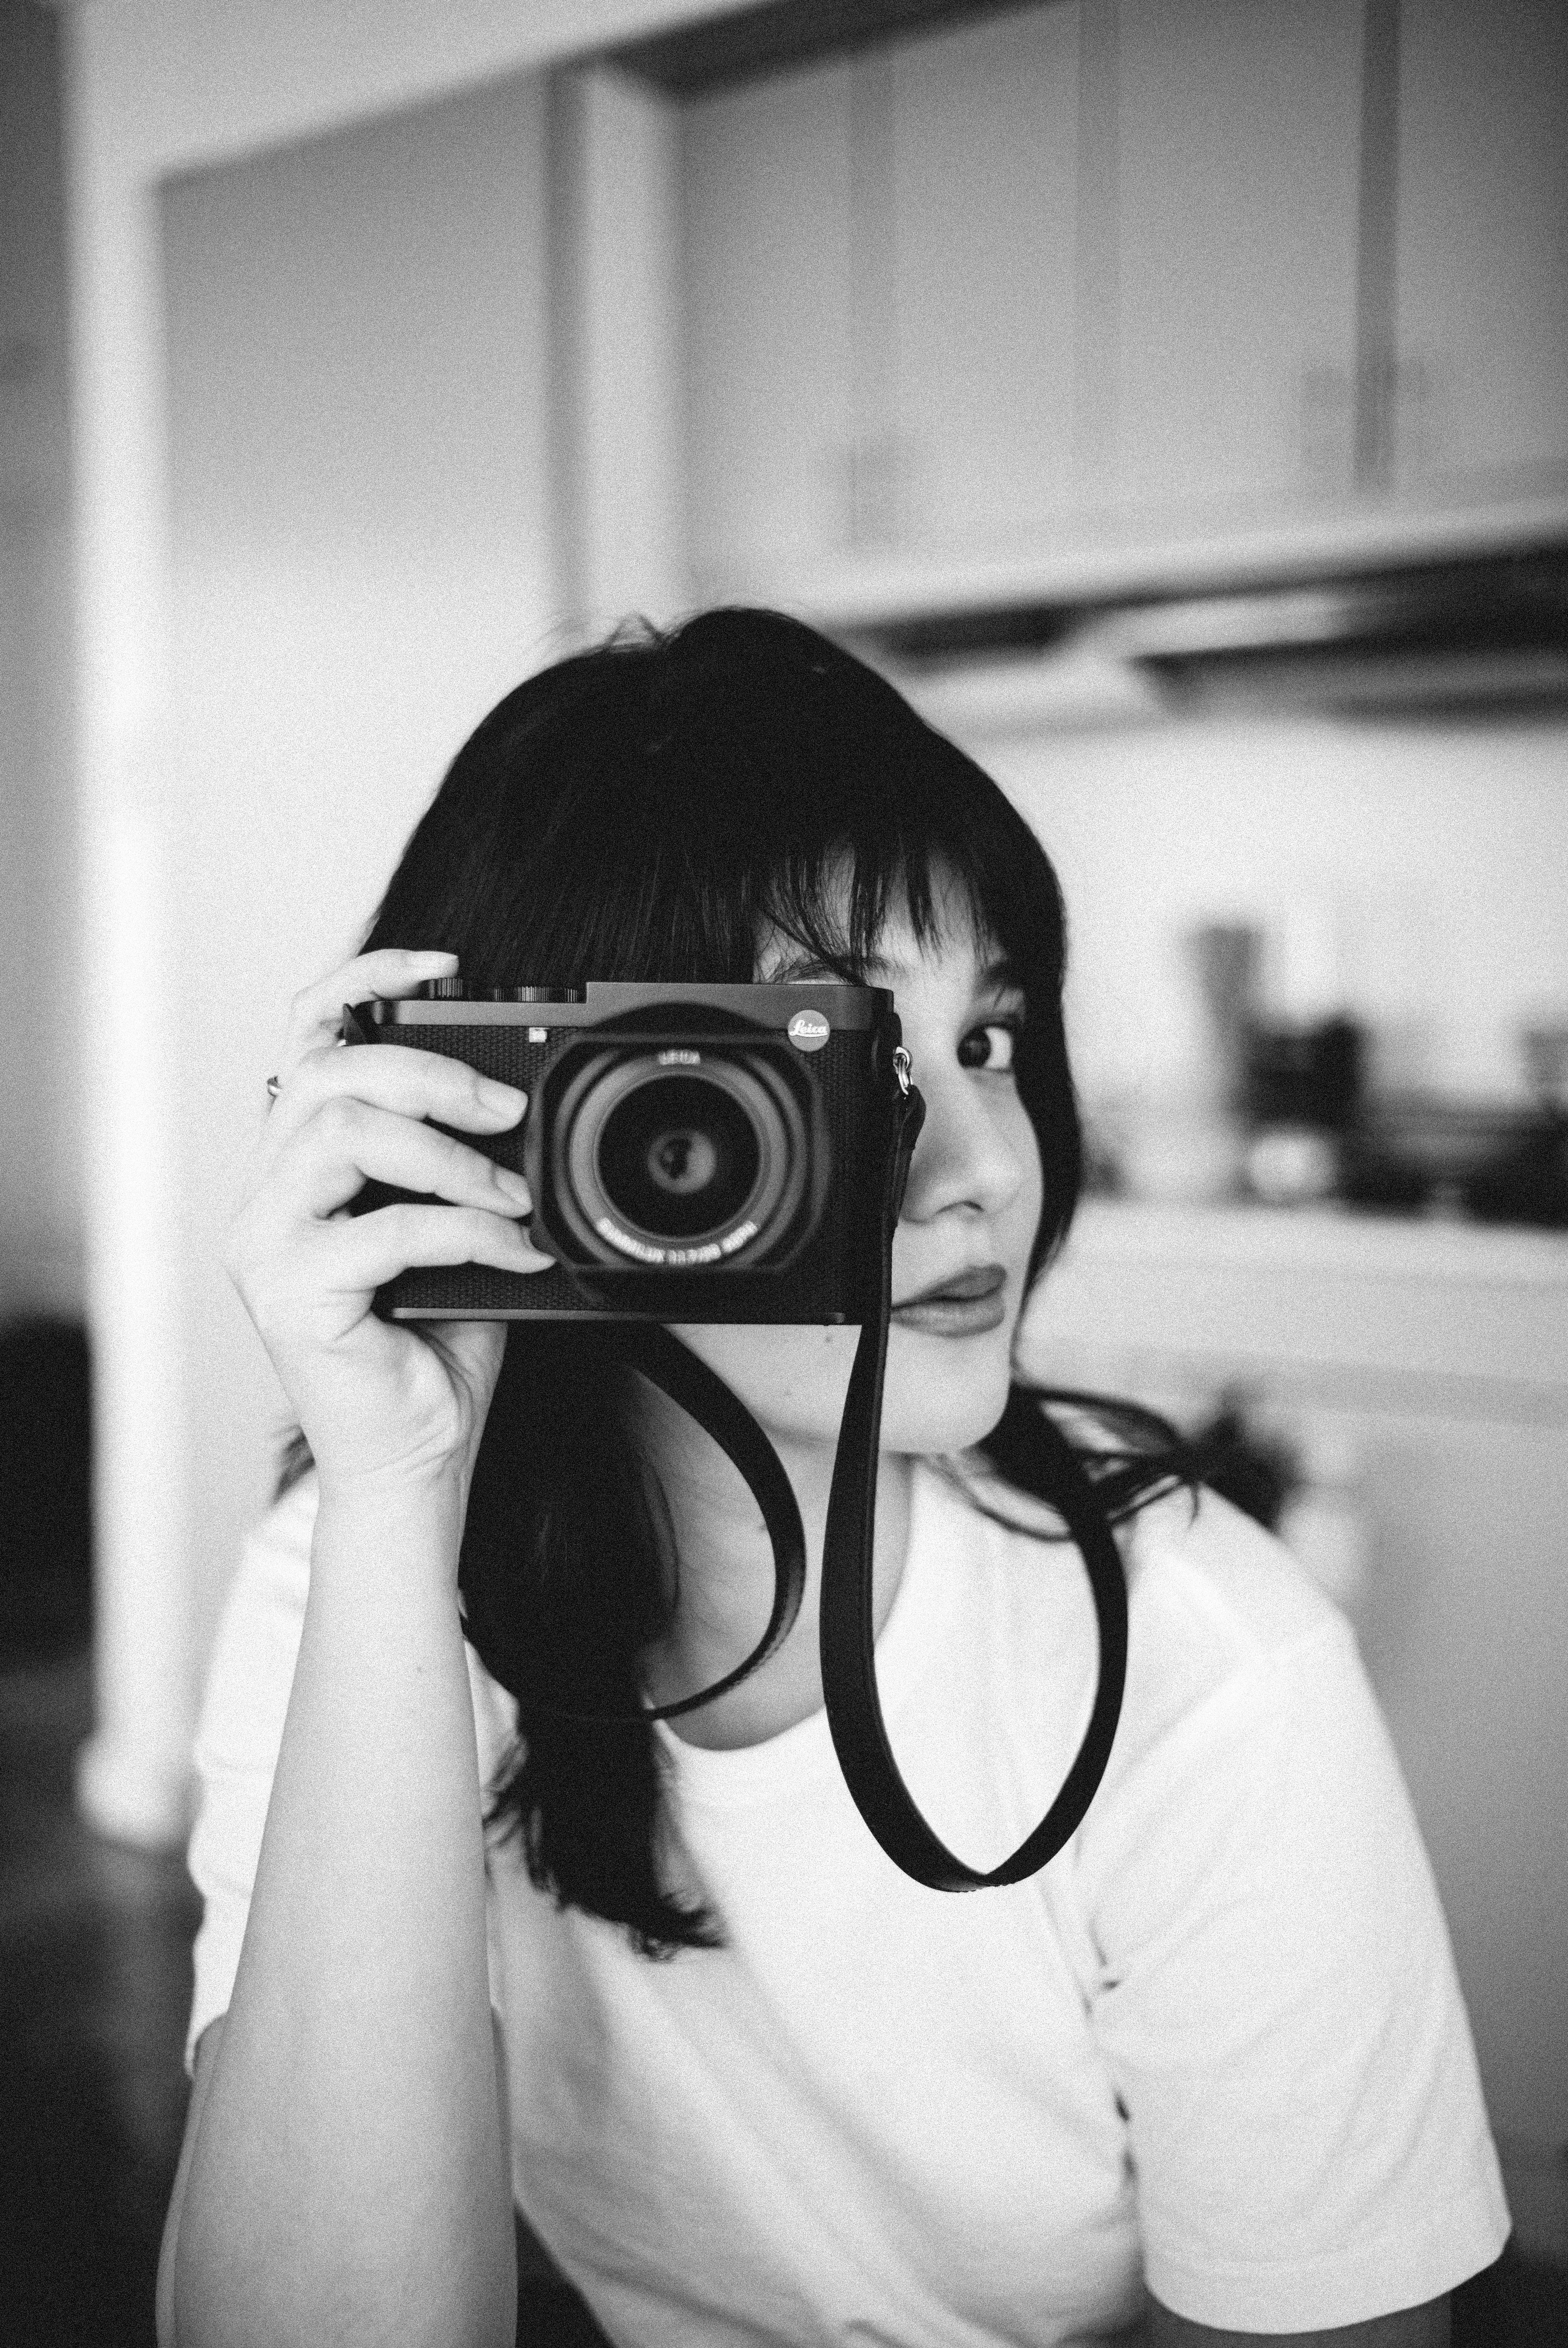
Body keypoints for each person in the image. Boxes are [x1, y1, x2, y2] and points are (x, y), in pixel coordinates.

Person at [157, 611, 1507, 2348]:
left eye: (992, 1042)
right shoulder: (359, 1572)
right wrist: (396, 1497)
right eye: (849, 1066)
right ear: (570, 1129)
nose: (982, 1173)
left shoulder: (1200, 1671)